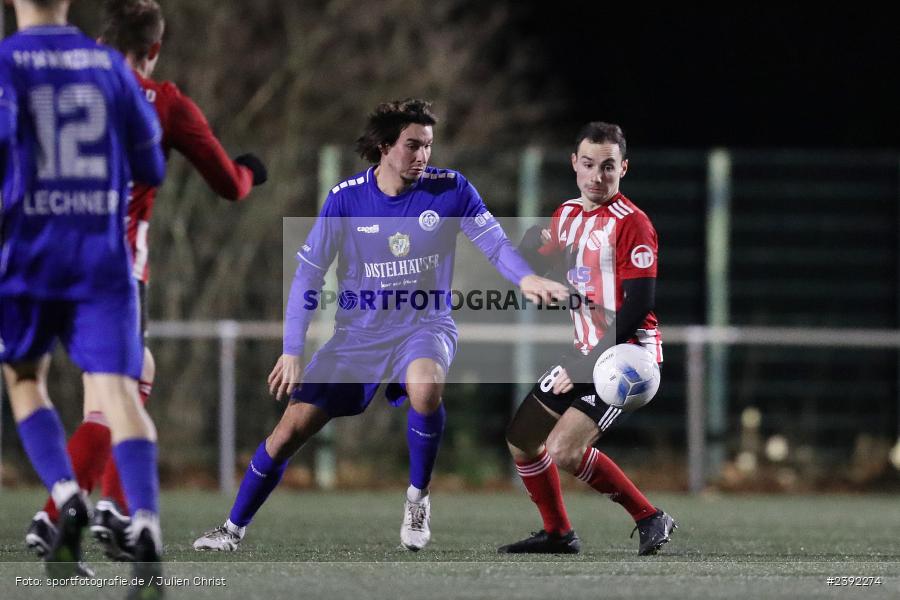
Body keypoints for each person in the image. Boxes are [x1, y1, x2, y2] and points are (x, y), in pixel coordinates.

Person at [193, 98, 568, 552]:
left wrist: (525, 276)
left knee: (425, 385)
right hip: (357, 337)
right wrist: (292, 349)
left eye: (429, 146)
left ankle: (417, 499)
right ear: (385, 146)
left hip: (425, 325)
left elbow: (493, 244)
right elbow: (309, 276)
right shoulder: (346, 198)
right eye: (413, 146)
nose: (424, 156)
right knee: (289, 431)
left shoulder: (450, 189)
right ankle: (231, 529)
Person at [22, 0, 268, 563]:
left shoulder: (61, 84)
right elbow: (230, 185)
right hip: (113, 268)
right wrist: (252, 169)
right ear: (154, 48)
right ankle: (62, 515)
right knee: (123, 388)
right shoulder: (160, 100)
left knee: (108, 387)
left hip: (44, 257)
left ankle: (95, 514)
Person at [0, 0, 166, 589]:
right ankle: (145, 524)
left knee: (24, 379)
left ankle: (67, 494)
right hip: (103, 256)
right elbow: (151, 162)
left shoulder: (7, 63)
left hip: (32, 253)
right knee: (122, 394)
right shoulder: (108, 66)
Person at [498, 122, 676, 556]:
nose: (598, 176)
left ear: (624, 169)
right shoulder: (567, 215)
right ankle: (558, 533)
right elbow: (539, 259)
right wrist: (528, 243)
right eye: (590, 164)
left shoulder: (633, 223)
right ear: (575, 165)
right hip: (584, 353)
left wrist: (581, 367)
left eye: (609, 167)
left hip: (627, 357)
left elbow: (638, 306)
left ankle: (651, 517)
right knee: (522, 440)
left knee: (563, 449)